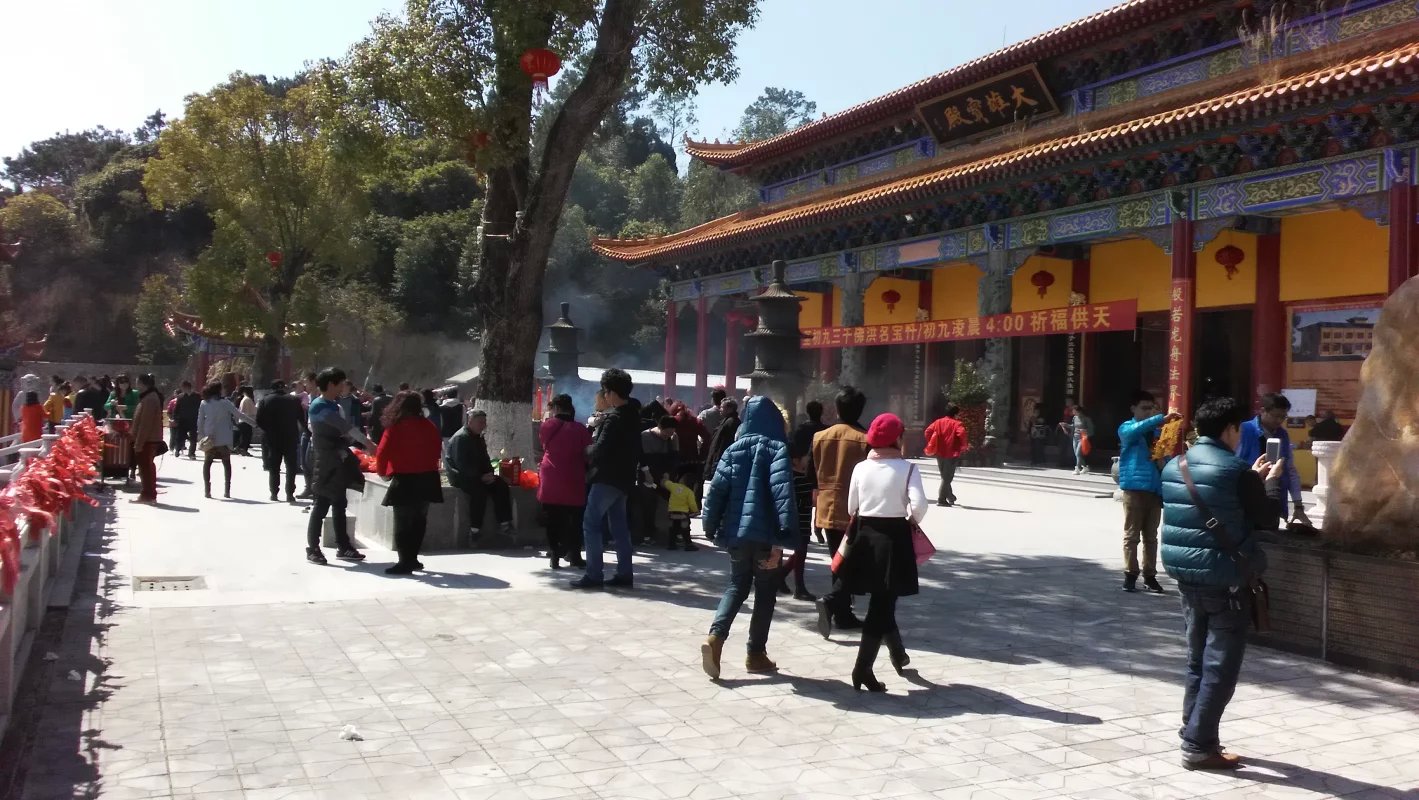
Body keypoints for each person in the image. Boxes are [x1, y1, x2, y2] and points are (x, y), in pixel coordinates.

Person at [1161, 396, 1283, 771]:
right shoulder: (1236, 470)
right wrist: (1269, 485)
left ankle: (1193, 730)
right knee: (1221, 667)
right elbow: (1266, 520)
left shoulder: (1175, 464)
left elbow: (1209, 505)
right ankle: (1198, 746)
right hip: (1226, 580)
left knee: (1197, 660)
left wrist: (1252, 481)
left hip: (1187, 577)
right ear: (1230, 429)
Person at [700, 395, 798, 678]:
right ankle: (755, 654)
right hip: (766, 537)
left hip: (736, 535)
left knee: (736, 585)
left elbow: (716, 491)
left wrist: (709, 525)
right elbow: (783, 496)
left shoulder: (733, 450)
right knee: (765, 594)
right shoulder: (777, 450)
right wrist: (783, 539)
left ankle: (715, 637)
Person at [839, 413, 928, 692]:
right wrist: (911, 520)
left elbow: (851, 507)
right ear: (898, 438)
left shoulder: (861, 468)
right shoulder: (908, 469)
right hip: (893, 538)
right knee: (883, 604)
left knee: (882, 601)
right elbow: (920, 505)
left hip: (864, 537)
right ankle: (862, 668)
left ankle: (897, 653)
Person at [571, 368, 641, 590]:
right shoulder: (634, 416)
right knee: (619, 528)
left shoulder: (613, 419)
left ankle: (594, 574)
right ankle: (625, 573)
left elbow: (600, 449)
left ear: (611, 392)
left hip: (607, 477)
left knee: (590, 523)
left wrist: (586, 450)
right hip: (625, 479)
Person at [813, 386, 872, 634]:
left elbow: (812, 477)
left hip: (827, 507)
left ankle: (843, 614)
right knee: (853, 564)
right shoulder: (866, 440)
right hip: (855, 510)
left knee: (838, 563)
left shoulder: (819, 437)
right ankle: (832, 603)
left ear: (836, 409)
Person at [1117, 390, 1182, 593]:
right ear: (1133, 408)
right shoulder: (1126, 428)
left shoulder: (1156, 433)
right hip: (1134, 489)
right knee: (1131, 535)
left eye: (1151, 408)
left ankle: (1150, 575)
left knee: (1151, 537)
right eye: (1144, 408)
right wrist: (1159, 419)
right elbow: (1133, 431)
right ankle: (1130, 574)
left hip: (1154, 489)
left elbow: (1165, 459)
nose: (1148, 412)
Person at [375, 390, 445, 575]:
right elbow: (437, 449)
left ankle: (404, 561)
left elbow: (382, 452)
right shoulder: (429, 425)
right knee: (419, 521)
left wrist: (383, 473)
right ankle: (413, 558)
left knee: (402, 523)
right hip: (428, 478)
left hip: (405, 479)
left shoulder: (395, 427)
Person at [305, 367, 370, 565]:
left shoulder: (333, 405)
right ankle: (313, 549)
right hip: (325, 461)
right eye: (340, 383)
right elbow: (345, 428)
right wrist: (369, 444)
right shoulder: (320, 406)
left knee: (340, 504)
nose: (343, 387)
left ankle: (344, 546)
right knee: (322, 504)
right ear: (331, 384)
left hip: (337, 459)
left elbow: (344, 432)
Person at [1236, 393, 1312, 528]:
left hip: (1274, 499)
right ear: (1263, 411)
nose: (1279, 421)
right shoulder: (1245, 430)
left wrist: (1298, 505)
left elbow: (1290, 469)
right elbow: (1234, 464)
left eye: (1283, 417)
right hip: (1247, 502)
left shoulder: (1283, 434)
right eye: (1276, 416)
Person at [538, 394, 592, 570]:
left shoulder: (547, 425)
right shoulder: (580, 429)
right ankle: (575, 555)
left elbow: (543, 444)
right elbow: (588, 452)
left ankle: (554, 555)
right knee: (575, 519)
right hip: (573, 476)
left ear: (556, 408)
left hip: (551, 476)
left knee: (552, 518)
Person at [445, 409, 514, 544]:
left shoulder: (478, 437)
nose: (483, 425)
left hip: (478, 474)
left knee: (500, 485)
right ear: (470, 422)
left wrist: (490, 474)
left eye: (484, 422)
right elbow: (461, 465)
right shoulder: (461, 438)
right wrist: (480, 477)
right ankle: (475, 531)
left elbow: (484, 459)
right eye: (480, 422)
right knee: (479, 492)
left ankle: (505, 523)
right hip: (461, 476)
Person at [196, 382, 249, 499]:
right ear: (218, 390)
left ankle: (207, 490)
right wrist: (254, 423)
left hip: (209, 439)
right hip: (224, 439)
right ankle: (227, 491)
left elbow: (200, 421)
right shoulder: (225, 403)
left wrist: (201, 436)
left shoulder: (204, 403)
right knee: (226, 464)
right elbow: (239, 414)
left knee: (207, 463)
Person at [257, 380, 306, 502]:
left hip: (273, 438)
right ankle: (290, 494)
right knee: (291, 467)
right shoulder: (294, 400)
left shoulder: (265, 400)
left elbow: (259, 420)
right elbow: (301, 419)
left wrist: (268, 430)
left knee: (274, 467)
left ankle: (274, 493)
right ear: (284, 388)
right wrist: (307, 432)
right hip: (290, 437)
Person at [637, 416, 678, 545]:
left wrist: (667, 474)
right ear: (660, 428)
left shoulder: (673, 437)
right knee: (648, 503)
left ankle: (672, 533)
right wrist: (647, 473)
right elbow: (641, 458)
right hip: (647, 473)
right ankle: (647, 534)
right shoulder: (645, 436)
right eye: (666, 433)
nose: (668, 436)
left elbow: (674, 458)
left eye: (671, 433)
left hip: (664, 474)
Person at [923, 404, 969, 506]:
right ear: (956, 414)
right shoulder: (957, 424)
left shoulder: (938, 422)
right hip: (952, 453)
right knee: (947, 477)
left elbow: (927, 431)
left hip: (939, 452)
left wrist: (933, 442)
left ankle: (950, 496)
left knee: (945, 476)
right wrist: (963, 447)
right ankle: (941, 499)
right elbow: (962, 434)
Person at [131, 374, 165, 504]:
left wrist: (139, 442)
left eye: (137, 383)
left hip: (148, 439)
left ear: (142, 384)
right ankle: (148, 494)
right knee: (146, 467)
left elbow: (146, 423)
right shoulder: (149, 397)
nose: (136, 386)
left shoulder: (150, 399)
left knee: (146, 468)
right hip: (149, 438)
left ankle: (148, 495)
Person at [700, 399, 740, 486]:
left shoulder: (731, 423)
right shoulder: (726, 421)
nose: (720, 409)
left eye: (722, 407)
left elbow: (724, 444)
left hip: (722, 460)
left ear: (730, 409)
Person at [662, 467, 700, 551]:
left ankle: (671, 544)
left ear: (681, 480)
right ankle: (688, 544)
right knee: (685, 529)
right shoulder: (689, 492)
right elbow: (692, 504)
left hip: (672, 513)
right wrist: (695, 511)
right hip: (683, 514)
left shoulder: (674, 486)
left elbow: (666, 483)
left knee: (673, 528)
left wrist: (665, 478)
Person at [790, 400, 828, 468]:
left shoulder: (801, 430)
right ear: (822, 412)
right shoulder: (828, 430)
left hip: (806, 467)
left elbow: (796, 451)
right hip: (824, 466)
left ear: (807, 412)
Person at [1059, 404, 1094, 474]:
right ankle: (1085, 467)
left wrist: (1084, 430)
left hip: (1082, 438)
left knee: (1078, 453)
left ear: (1078, 411)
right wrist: (1066, 425)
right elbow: (1073, 426)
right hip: (1075, 437)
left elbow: (1091, 430)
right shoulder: (1074, 418)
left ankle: (1077, 468)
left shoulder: (1086, 419)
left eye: (1073, 410)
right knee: (1077, 454)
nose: (1072, 412)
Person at [171, 381, 202, 460]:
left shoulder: (197, 396)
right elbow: (176, 408)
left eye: (183, 387)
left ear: (187, 387)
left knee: (193, 437)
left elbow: (201, 407)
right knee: (180, 436)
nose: (182, 389)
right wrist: (174, 418)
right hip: (182, 420)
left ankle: (191, 453)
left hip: (193, 419)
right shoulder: (180, 397)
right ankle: (177, 449)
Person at [234, 385, 257, 456]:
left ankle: (240, 448)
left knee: (245, 437)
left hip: (243, 421)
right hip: (246, 421)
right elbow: (251, 411)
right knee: (246, 437)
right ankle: (243, 449)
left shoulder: (245, 399)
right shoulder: (247, 400)